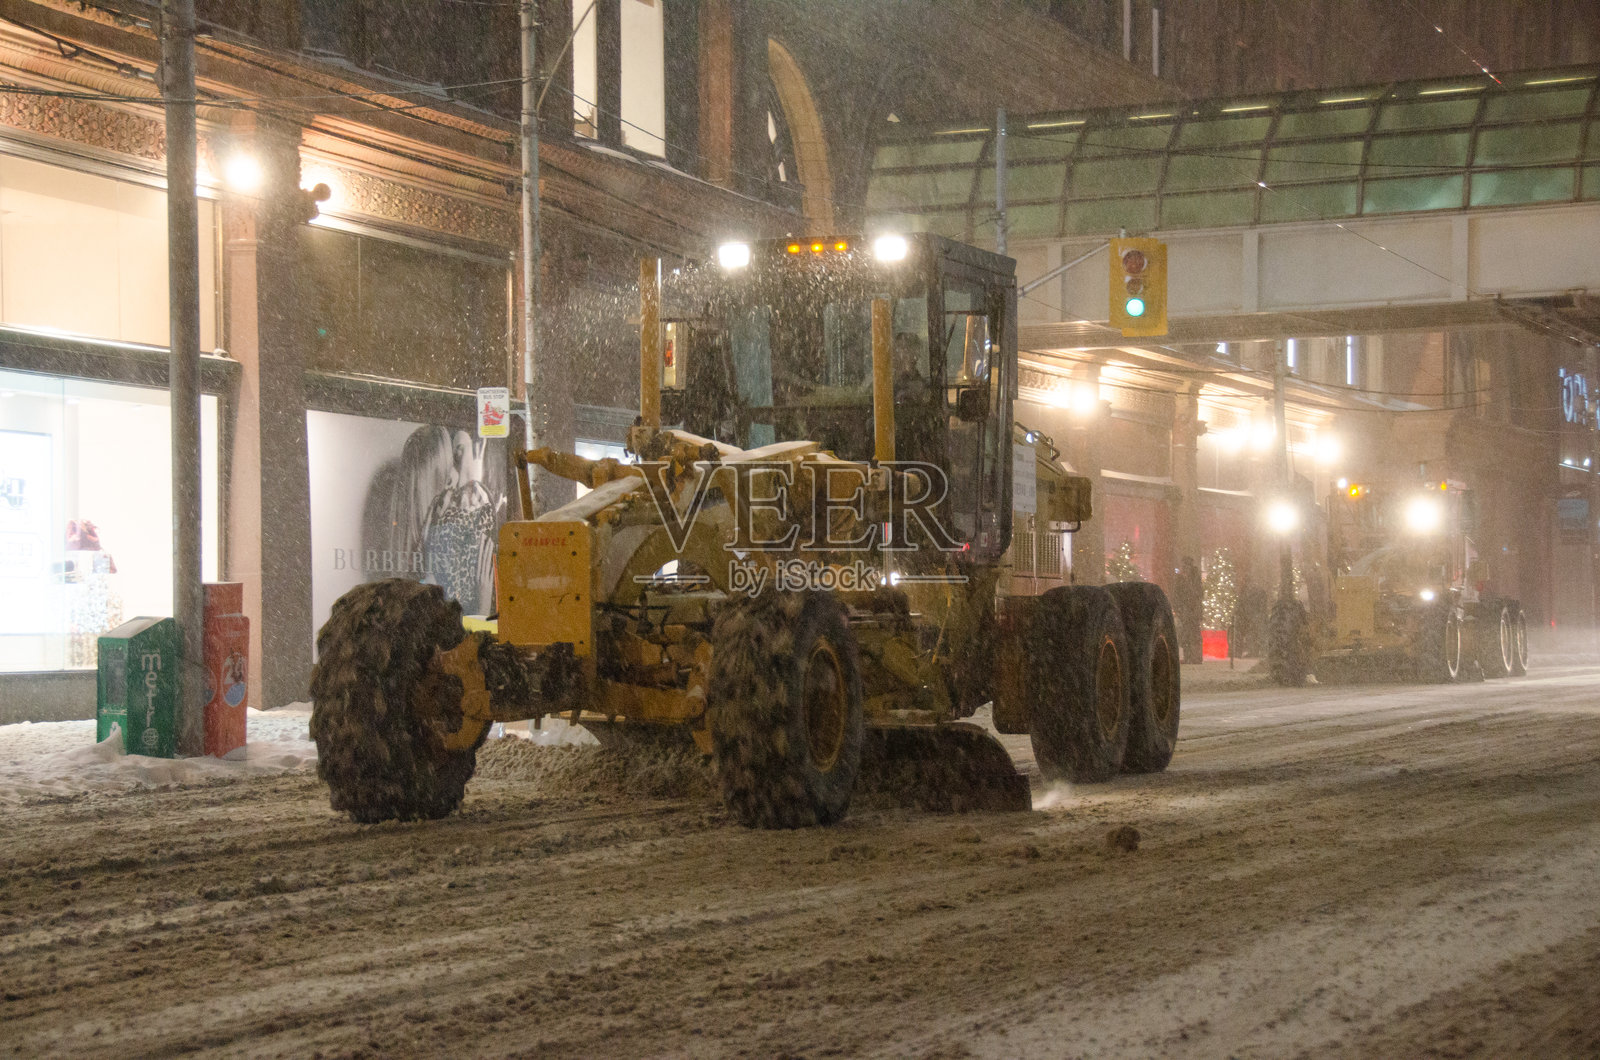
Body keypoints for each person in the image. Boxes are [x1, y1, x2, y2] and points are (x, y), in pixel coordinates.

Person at [1176, 555, 1204, 665]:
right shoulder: (1180, 578)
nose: (1183, 567)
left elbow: (1198, 593)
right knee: (1185, 634)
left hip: (1192, 610)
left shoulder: (1194, 577)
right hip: (1185, 610)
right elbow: (1177, 593)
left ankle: (1196, 657)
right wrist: (1178, 607)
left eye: (1185, 565)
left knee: (1194, 634)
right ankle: (1188, 657)